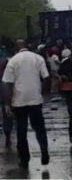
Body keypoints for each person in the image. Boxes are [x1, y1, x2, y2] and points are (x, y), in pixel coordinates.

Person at [2, 39, 50, 168]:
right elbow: (46, 77)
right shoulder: (38, 58)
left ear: (15, 48)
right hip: (35, 99)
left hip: (19, 101)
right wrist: (45, 94)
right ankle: (44, 149)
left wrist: (7, 103)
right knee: (39, 127)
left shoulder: (12, 61)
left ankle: (24, 159)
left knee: (21, 131)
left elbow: (8, 83)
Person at [0, 48, 13, 148]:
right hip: (6, 99)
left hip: (10, 99)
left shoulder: (10, 72)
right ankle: (8, 135)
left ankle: (8, 135)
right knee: (7, 118)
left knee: (8, 118)